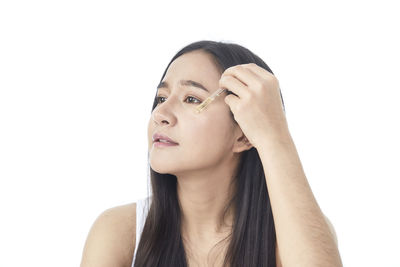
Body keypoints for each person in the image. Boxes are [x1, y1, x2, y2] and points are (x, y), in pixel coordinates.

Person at [80, 40, 342, 267]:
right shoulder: (119, 231)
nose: (160, 115)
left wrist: (275, 136)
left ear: (243, 134)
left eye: (191, 99)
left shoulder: (294, 235)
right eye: (161, 98)